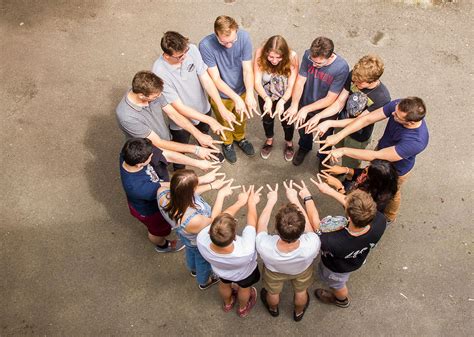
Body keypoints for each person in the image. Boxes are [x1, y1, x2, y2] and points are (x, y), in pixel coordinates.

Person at [319, 97, 429, 222]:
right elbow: (367, 119)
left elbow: (376, 156)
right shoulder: (400, 105)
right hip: (381, 152)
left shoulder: (416, 141)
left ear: (411, 123)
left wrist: (343, 150)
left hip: (396, 169)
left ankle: (389, 216)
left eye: (397, 116)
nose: (393, 113)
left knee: (393, 193)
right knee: (370, 176)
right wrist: (339, 135)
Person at [120, 138, 222, 252]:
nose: (153, 154)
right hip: (150, 211)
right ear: (140, 164)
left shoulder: (131, 151)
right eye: (150, 156)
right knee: (158, 231)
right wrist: (200, 180)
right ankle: (163, 245)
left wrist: (198, 163)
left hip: (158, 195)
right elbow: (170, 188)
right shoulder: (137, 187)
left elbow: (165, 155)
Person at [152, 31, 237, 169]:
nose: (185, 57)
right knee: (181, 145)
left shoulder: (191, 49)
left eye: (185, 51)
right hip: (181, 121)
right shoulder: (159, 72)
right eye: (180, 56)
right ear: (167, 55)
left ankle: (207, 150)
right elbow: (179, 107)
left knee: (204, 133)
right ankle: (179, 168)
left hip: (203, 108)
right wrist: (211, 120)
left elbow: (206, 79)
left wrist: (221, 107)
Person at [116, 70, 221, 170]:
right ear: (142, 95)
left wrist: (198, 134)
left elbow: (173, 114)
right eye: (155, 96)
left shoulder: (153, 91)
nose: (159, 97)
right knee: (159, 170)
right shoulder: (126, 116)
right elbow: (158, 142)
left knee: (173, 157)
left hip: (164, 137)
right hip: (148, 152)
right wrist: (196, 150)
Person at [308, 178, 387, 309]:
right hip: (357, 259)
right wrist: (330, 191)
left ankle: (341, 299)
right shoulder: (380, 220)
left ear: (349, 218)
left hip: (337, 269)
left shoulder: (332, 241)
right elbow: (354, 207)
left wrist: (307, 199)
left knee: (338, 284)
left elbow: (316, 225)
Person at [303, 54, 391, 168]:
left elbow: (359, 121)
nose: (355, 84)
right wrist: (319, 116)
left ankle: (348, 179)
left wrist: (329, 123)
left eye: (359, 83)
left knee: (351, 162)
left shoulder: (382, 98)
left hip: (358, 135)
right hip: (341, 123)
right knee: (339, 147)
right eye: (354, 80)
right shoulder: (354, 75)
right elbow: (340, 102)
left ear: (373, 80)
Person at [157, 169, 239, 290]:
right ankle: (204, 281)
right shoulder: (193, 220)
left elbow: (185, 192)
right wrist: (221, 195)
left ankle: (193, 270)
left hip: (185, 237)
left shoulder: (162, 193)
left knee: (190, 252)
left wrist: (211, 185)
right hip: (197, 241)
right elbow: (214, 220)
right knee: (203, 260)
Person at [256, 181, 320, 322]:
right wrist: (295, 199)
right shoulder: (312, 243)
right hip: (301, 271)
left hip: (274, 272)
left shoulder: (265, 245)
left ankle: (273, 309)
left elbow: (261, 226)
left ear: (277, 230)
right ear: (301, 230)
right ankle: (298, 312)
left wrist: (271, 201)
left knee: (272, 292)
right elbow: (309, 227)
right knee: (301, 291)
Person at [281, 36, 349, 168]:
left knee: (324, 137)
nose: (313, 65)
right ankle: (304, 147)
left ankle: (323, 157)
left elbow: (331, 98)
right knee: (303, 131)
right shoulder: (308, 55)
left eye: (318, 63)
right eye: (312, 61)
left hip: (325, 111)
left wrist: (306, 109)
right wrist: (295, 105)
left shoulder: (341, 68)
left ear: (330, 57)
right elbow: (300, 81)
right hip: (305, 103)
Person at [199, 15, 258, 164]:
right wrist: (236, 98)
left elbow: (247, 69)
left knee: (241, 118)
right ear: (216, 34)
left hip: (242, 89)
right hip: (221, 94)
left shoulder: (244, 37)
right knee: (224, 121)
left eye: (232, 41)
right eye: (224, 42)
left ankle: (240, 138)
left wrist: (250, 93)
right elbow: (215, 79)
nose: (229, 45)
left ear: (236, 31)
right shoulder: (206, 45)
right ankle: (228, 143)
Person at [197, 186, 262, 318]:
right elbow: (252, 222)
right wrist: (250, 203)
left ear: (210, 231)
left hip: (221, 272)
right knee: (245, 289)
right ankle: (243, 308)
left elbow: (219, 220)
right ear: (234, 236)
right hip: (245, 274)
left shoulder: (201, 238)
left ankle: (228, 303)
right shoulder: (245, 250)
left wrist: (239, 202)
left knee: (224, 284)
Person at [253, 35, 299, 161]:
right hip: (265, 93)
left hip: (284, 94)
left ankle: (289, 143)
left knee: (287, 121)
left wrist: (283, 101)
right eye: (271, 57)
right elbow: (256, 82)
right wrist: (266, 98)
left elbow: (291, 85)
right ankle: (269, 140)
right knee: (267, 119)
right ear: (266, 52)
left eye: (278, 57)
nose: (274, 60)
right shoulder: (259, 53)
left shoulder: (292, 56)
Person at [319, 159, 398, 213]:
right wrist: (345, 170)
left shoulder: (373, 200)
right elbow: (359, 172)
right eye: (365, 170)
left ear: (375, 183)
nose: (361, 175)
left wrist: (339, 187)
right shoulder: (379, 180)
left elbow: (352, 207)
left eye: (366, 176)